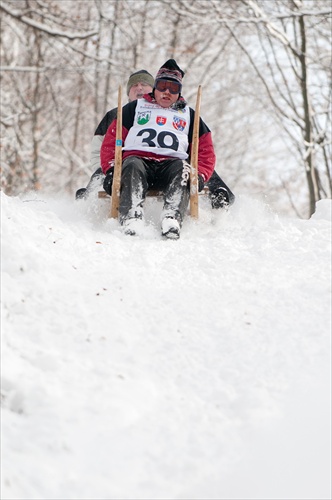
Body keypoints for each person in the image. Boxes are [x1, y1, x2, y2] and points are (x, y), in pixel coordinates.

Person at [76, 68, 235, 210]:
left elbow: (199, 146)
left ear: (152, 90)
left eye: (144, 84)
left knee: (193, 166)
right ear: (128, 93)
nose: (139, 87)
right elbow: (101, 147)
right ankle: (87, 200)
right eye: (134, 85)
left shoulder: (177, 113)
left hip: (172, 163)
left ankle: (219, 193)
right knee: (105, 171)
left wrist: (198, 172)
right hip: (129, 162)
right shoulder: (118, 114)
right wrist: (108, 170)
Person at [100, 59, 219, 239]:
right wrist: (110, 170)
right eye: (162, 86)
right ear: (154, 87)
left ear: (179, 93)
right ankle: (132, 217)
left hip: (170, 166)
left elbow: (205, 149)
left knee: (183, 169)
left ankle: (172, 217)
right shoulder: (135, 108)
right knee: (131, 164)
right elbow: (112, 140)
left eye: (173, 88)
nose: (167, 92)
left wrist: (201, 175)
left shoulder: (188, 114)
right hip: (139, 162)